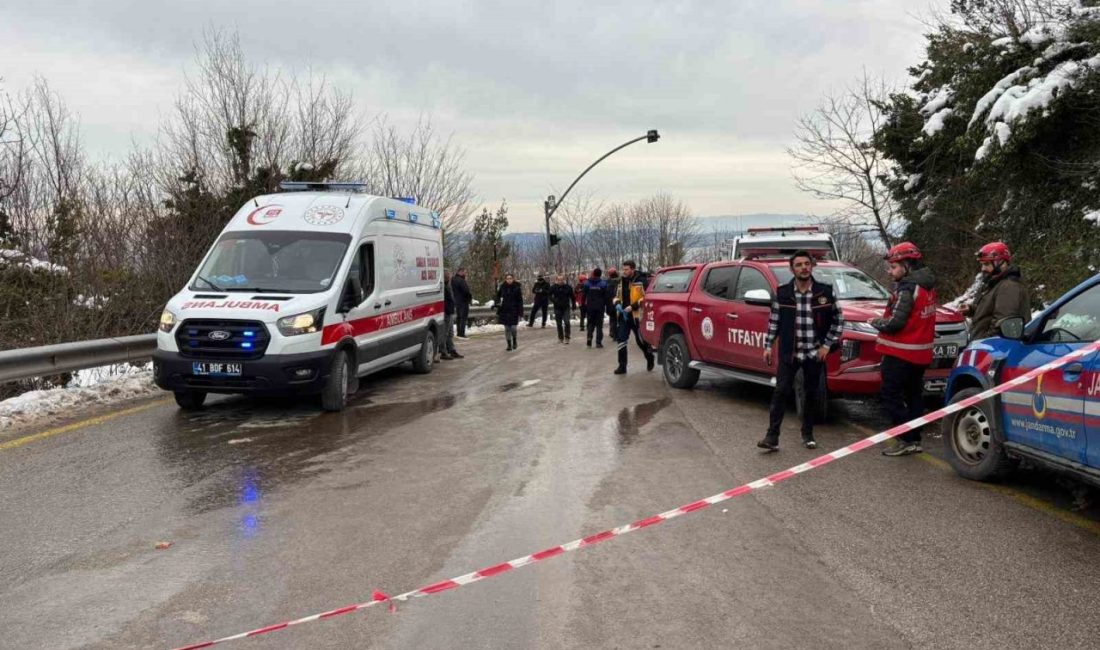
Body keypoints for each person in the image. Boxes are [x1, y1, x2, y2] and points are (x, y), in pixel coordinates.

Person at [757, 251, 842, 451]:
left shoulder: (825, 292)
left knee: (811, 394)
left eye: (806, 264)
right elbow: (774, 321)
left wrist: (827, 345)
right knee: (780, 392)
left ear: (812, 266)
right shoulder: (783, 292)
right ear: (792, 269)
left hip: (815, 353)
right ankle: (772, 436)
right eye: (799, 265)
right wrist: (768, 345)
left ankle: (808, 434)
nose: (804, 267)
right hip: (790, 353)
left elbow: (839, 321)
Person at [871, 242, 937, 457]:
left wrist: (876, 322)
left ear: (907, 265)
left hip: (900, 354)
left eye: (893, 267)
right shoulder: (927, 285)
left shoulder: (907, 289)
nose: (890, 272)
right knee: (914, 396)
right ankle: (915, 439)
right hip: (920, 353)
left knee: (890, 396)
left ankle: (905, 439)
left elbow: (895, 323)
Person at [960, 242, 1030, 340]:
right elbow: (991, 311)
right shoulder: (995, 283)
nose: (983, 269)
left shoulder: (1009, 287)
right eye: (982, 264)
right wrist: (971, 310)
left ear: (1002, 263)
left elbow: (1003, 323)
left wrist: (985, 341)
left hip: (995, 349)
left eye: (987, 264)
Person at [612, 260, 657, 375]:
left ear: (632, 269)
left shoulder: (641, 280)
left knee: (640, 340)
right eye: (623, 269)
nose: (624, 271)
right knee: (621, 340)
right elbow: (616, 296)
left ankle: (649, 357)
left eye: (627, 269)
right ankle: (622, 366)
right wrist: (617, 303)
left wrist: (633, 307)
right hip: (623, 315)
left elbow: (647, 296)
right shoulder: (621, 281)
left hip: (637, 315)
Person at [495, 274, 524, 351]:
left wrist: (520, 312)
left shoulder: (517, 287)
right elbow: (497, 296)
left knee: (513, 328)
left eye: (510, 278)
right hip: (505, 310)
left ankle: (514, 340)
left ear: (513, 279)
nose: (509, 280)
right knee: (507, 328)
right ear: (505, 279)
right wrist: (497, 303)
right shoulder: (502, 287)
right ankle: (509, 344)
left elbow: (520, 301)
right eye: (507, 278)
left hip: (514, 310)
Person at [439, 270, 464, 360]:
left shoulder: (448, 285)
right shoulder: (442, 287)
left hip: (450, 311)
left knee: (450, 333)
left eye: (448, 275)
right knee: (444, 333)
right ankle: (443, 351)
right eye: (447, 275)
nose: (448, 276)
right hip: (446, 312)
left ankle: (451, 350)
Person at [583, 268, 610, 348]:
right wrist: (606, 305)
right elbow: (606, 296)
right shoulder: (603, 284)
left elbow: (584, 295)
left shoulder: (587, 283)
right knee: (599, 325)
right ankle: (598, 342)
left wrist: (584, 306)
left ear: (593, 274)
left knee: (590, 323)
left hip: (590, 307)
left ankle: (589, 339)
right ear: (600, 274)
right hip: (600, 307)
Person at [549, 274, 577, 343]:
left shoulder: (568, 287)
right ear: (556, 280)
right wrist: (554, 301)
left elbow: (572, 297)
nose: (560, 281)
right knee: (559, 323)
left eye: (562, 280)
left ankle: (567, 337)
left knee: (567, 322)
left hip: (566, 307)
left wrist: (573, 305)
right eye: (559, 280)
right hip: (557, 307)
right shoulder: (553, 287)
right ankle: (560, 337)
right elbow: (549, 295)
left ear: (564, 280)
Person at [452, 268, 473, 339]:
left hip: (456, 301)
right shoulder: (461, 280)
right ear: (461, 272)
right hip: (463, 301)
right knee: (463, 317)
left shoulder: (453, 279)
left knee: (459, 317)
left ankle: (458, 332)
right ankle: (461, 333)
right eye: (464, 272)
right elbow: (466, 291)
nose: (465, 274)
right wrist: (469, 298)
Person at [605, 267, 621, 342]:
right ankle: (616, 334)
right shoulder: (620, 281)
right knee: (618, 319)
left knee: (613, 319)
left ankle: (612, 332)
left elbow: (605, 294)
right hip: (618, 302)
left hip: (610, 303)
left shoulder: (607, 282)